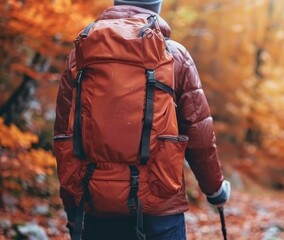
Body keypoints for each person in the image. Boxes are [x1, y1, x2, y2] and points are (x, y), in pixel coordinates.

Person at [53, 0, 231, 239]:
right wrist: (215, 190)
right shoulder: (174, 55)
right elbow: (199, 135)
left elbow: (64, 137)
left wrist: (73, 205)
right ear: (156, 8)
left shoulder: (80, 56)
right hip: (158, 207)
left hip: (94, 201)